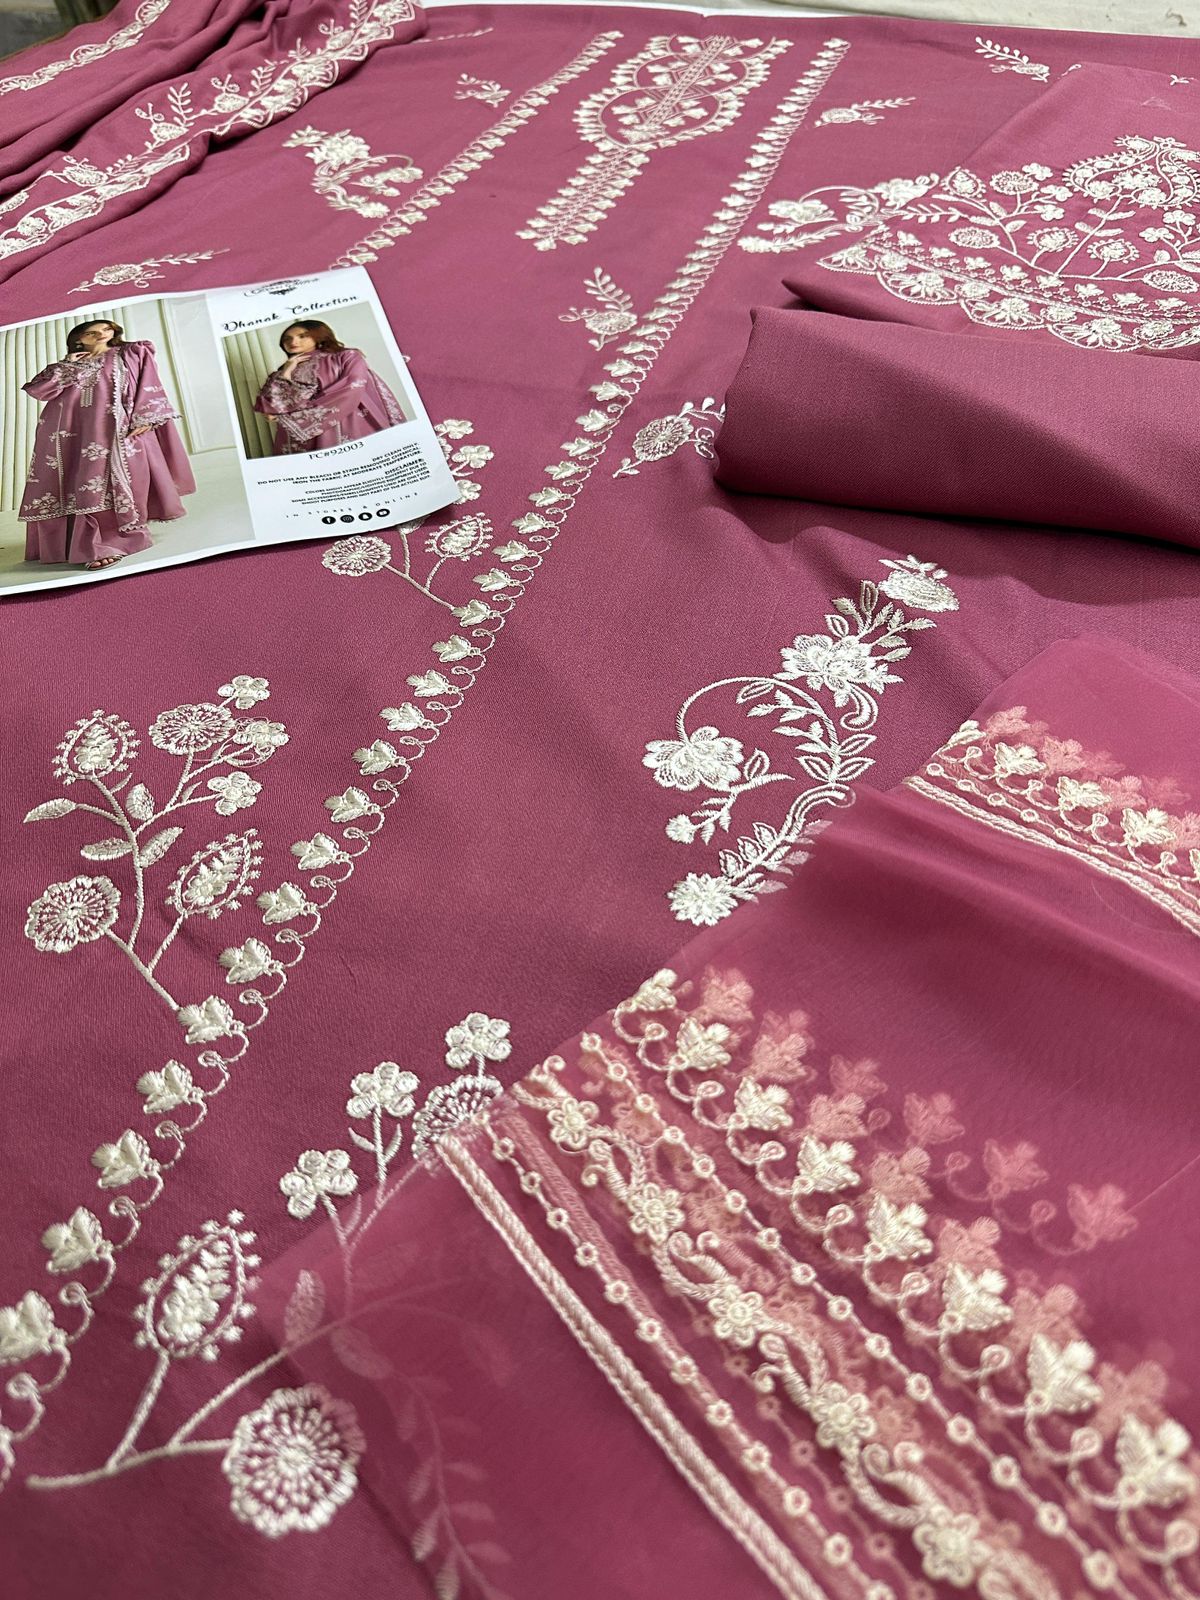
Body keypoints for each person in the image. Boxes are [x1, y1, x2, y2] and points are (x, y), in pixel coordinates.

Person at [19, 319, 196, 571]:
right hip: (70, 433)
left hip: (116, 429)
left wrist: (146, 415)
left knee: (108, 479)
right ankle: (75, 543)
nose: (101, 334)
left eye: (106, 329)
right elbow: (39, 390)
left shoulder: (132, 351)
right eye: (91, 333)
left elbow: (149, 382)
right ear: (79, 340)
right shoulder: (71, 364)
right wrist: (69, 364)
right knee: (73, 481)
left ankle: (107, 542)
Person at [253, 320, 406, 454]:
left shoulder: (346, 356)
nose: (293, 341)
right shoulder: (281, 372)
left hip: (345, 420)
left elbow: (354, 385)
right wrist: (286, 372)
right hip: (297, 437)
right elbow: (270, 410)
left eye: (302, 336)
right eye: (287, 338)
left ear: (319, 336)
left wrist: (303, 419)